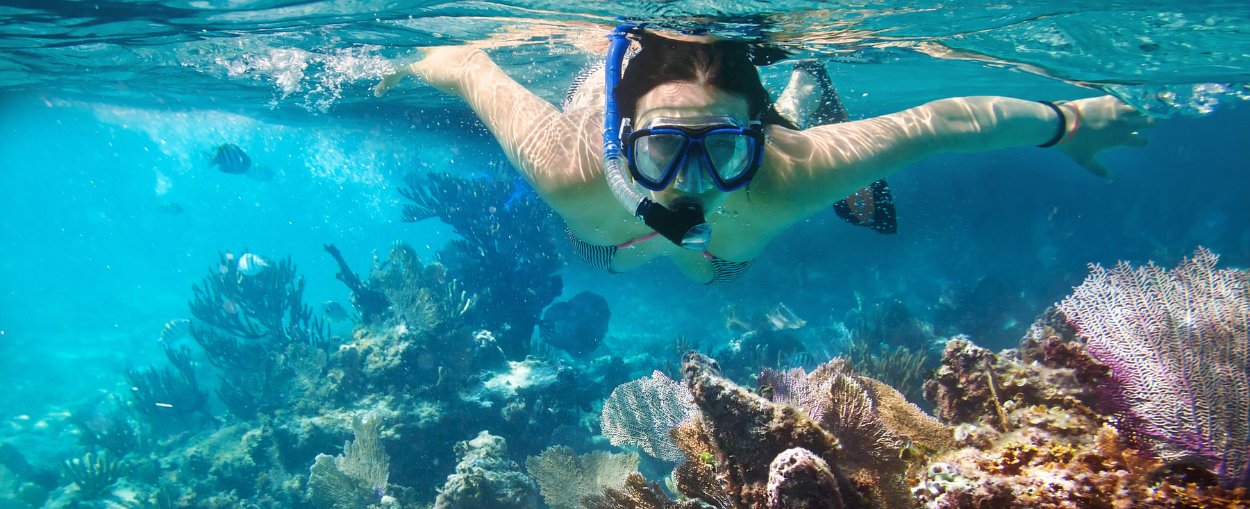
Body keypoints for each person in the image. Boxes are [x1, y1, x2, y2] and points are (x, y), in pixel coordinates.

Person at [375, 25, 1155, 284]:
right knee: (625, 252)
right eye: (662, 147)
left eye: (721, 148)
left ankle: (798, 93)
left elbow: (942, 122)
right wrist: (402, 63)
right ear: (622, 142)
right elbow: (469, 65)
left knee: (717, 263)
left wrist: (1069, 121)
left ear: (756, 139)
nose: (689, 181)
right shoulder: (569, 168)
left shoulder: (787, 170)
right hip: (609, 240)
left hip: (733, 223)